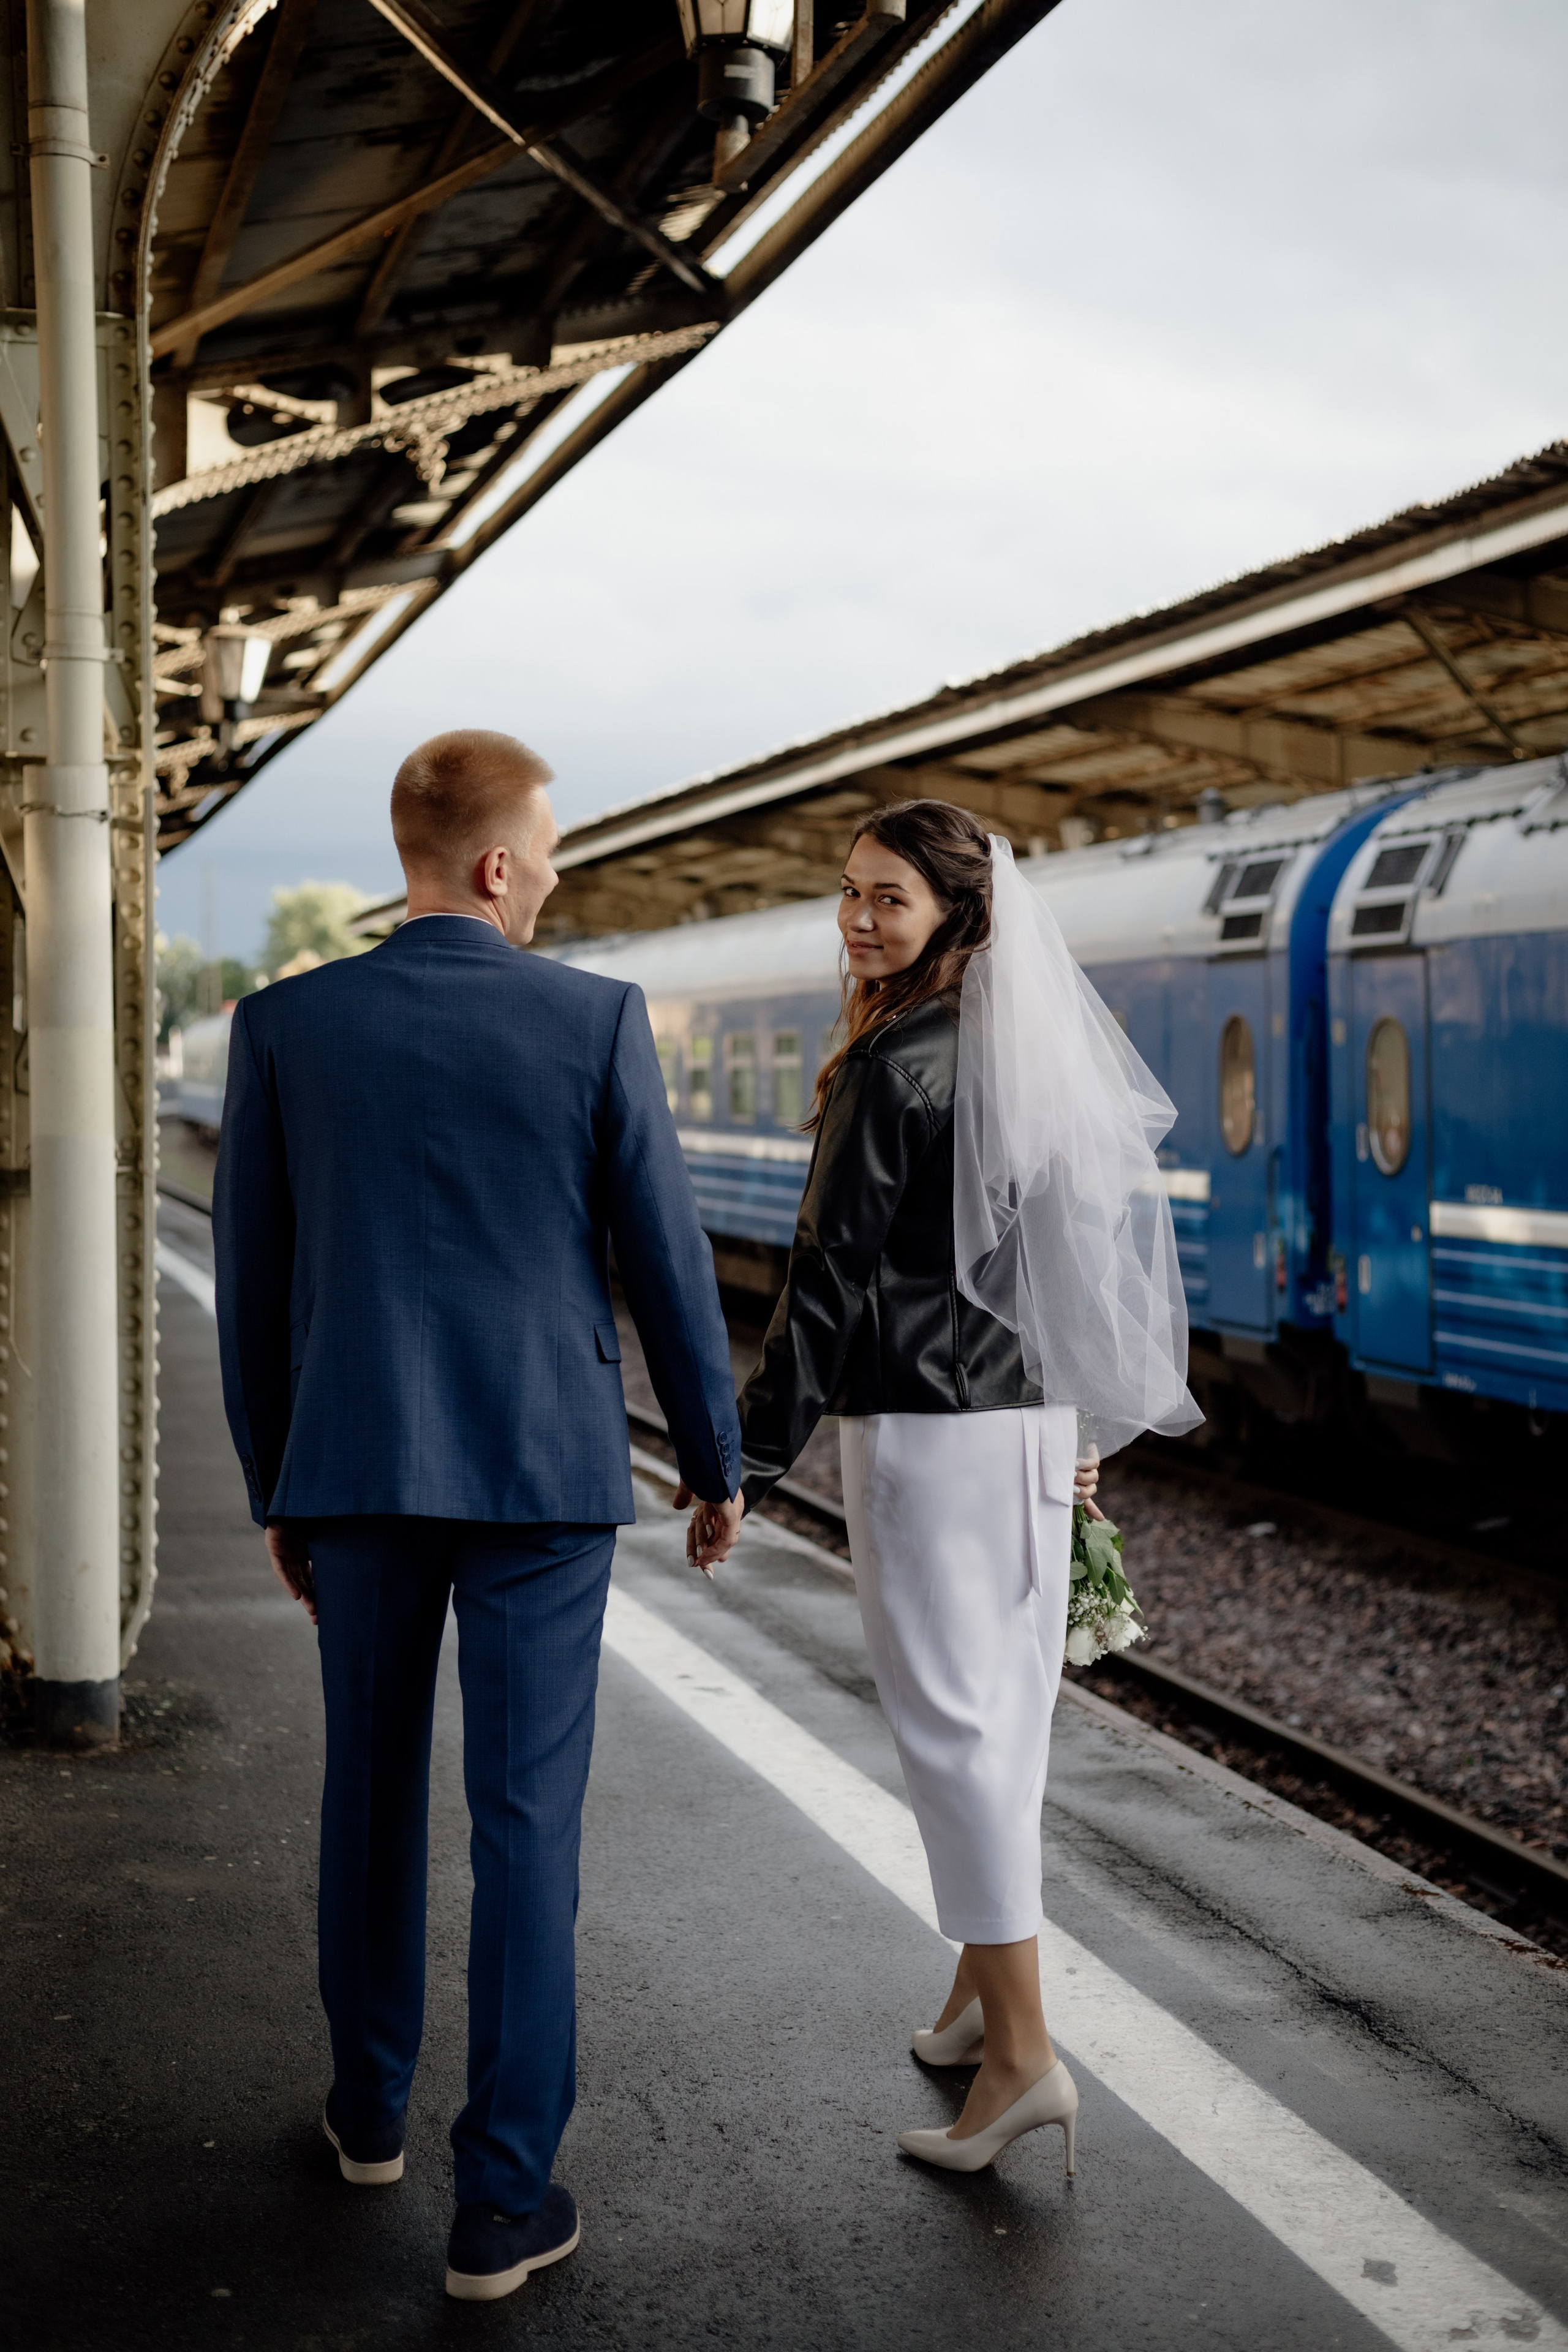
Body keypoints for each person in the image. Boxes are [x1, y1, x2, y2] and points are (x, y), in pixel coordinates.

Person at [213, 729, 743, 2300]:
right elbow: (664, 1257)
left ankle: (368, 2113)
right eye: (553, 850)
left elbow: (254, 1283)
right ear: (498, 863)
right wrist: (714, 1461)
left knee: (368, 1793)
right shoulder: (593, 1019)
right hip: (541, 1473)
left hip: (359, 1464)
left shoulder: (286, 1027)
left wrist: (275, 1484)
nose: (560, 874)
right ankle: (499, 2205)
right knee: (527, 1826)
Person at [690, 799, 1197, 2177]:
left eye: (887, 901)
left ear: (955, 918)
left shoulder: (893, 1062)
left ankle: (1026, 2058)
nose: (856, 920)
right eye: (847, 893)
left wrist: (742, 1456)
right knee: (1005, 1718)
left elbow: (826, 1285)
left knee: (954, 1732)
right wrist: (1074, 1426)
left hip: (925, 1432)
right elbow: (1077, 1263)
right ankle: (982, 1999)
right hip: (1025, 1432)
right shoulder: (1021, 1051)